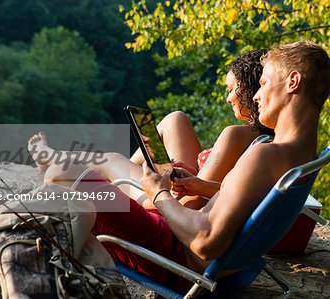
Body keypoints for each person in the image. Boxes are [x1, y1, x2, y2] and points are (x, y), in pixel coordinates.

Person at [41, 41, 330, 291]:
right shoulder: (303, 156)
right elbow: (248, 201)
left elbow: (204, 242)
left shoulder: (265, 155)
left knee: (61, 173)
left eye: (263, 84)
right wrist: (202, 186)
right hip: (226, 267)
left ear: (293, 82)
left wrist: (159, 194)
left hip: (177, 262)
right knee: (73, 179)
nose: (256, 96)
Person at [28, 49, 272, 208]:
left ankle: (49, 156)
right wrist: (186, 173)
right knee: (175, 119)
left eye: (232, 90)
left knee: (111, 159)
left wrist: (167, 182)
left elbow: (195, 197)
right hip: (192, 183)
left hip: (178, 204)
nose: (228, 98)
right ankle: (134, 169)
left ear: (250, 90)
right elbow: (209, 183)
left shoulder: (235, 135)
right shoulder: (261, 136)